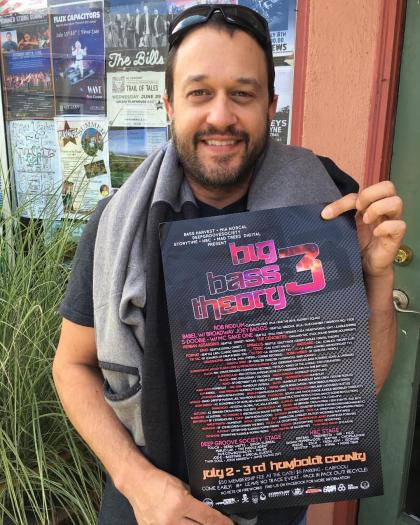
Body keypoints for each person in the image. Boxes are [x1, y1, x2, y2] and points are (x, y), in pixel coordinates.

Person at [53, 5, 406, 525]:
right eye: (200, 93)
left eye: (243, 94)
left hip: (277, 507)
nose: (221, 116)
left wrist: (375, 277)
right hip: (144, 508)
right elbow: (71, 366)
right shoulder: (115, 224)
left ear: (271, 106)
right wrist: (137, 482)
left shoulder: (328, 213)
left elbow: (356, 387)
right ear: (170, 105)